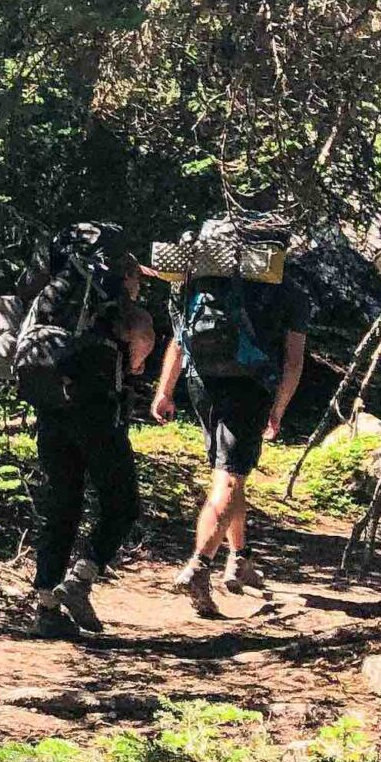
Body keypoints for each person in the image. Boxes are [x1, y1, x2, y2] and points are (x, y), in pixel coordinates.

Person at [151, 249, 310, 616]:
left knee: (229, 471)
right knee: (229, 476)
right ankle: (198, 565)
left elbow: (179, 338)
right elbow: (294, 360)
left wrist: (164, 391)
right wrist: (279, 408)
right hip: (250, 385)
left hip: (200, 381)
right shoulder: (289, 288)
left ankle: (240, 558)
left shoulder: (202, 278)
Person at [12, 238, 157, 637]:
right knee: (122, 502)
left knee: (61, 504)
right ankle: (81, 578)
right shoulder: (119, 308)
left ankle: (45, 607)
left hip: (51, 407)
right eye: (137, 280)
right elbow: (140, 348)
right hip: (95, 409)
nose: (138, 287)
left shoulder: (54, 299)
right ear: (124, 274)